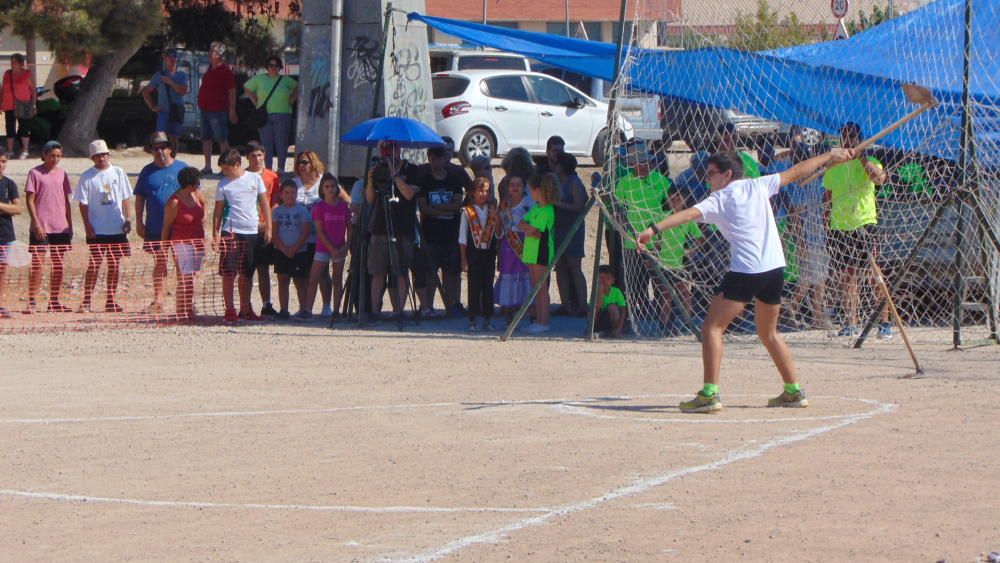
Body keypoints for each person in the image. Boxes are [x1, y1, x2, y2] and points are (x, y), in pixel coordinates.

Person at [637, 148, 855, 413]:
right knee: (769, 333)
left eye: (712, 175)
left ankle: (709, 394)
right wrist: (831, 155)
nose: (708, 180)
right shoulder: (758, 185)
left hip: (747, 271)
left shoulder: (720, 198)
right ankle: (793, 391)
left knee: (711, 328)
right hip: (774, 269)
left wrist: (652, 229)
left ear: (727, 174)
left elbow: (688, 214)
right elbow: (798, 171)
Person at [823, 122, 891, 338]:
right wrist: (826, 225)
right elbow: (827, 198)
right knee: (847, 276)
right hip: (840, 226)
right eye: (844, 136)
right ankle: (851, 322)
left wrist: (861, 157)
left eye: (852, 136)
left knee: (873, 274)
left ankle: (885, 322)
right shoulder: (833, 166)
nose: (847, 140)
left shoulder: (871, 161)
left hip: (864, 223)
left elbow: (880, 179)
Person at [212, 148, 272, 322]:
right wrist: (215, 234)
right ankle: (230, 309)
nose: (224, 172)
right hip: (230, 232)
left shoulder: (255, 178)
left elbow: (265, 204)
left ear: (237, 165)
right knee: (229, 273)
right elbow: (217, 211)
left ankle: (246, 309)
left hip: (251, 232)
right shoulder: (223, 184)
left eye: (226, 168)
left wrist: (268, 228)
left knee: (247, 273)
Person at [73, 140, 133, 313]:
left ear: (109, 155)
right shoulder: (87, 176)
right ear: (92, 158)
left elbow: (125, 196)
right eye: (97, 156)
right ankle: (86, 301)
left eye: (104, 154)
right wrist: (88, 227)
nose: (101, 158)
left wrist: (127, 218)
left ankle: (111, 300)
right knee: (94, 265)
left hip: (117, 228)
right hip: (97, 229)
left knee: (114, 265)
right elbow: (83, 205)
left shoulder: (119, 172)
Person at [365, 140, 420, 324]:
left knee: (401, 270)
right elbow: (370, 199)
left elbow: (409, 194)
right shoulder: (378, 169)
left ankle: (399, 310)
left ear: (400, 149)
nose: (389, 153)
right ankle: (374, 311)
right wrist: (372, 179)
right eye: (385, 150)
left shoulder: (411, 170)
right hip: (380, 226)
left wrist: (394, 175)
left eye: (392, 149)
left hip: (403, 226)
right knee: (378, 270)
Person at [134, 131, 188, 313]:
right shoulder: (147, 171)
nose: (160, 151)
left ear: (170, 148)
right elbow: (140, 198)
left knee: (182, 264)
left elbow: (195, 194)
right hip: (156, 226)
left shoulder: (182, 168)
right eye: (155, 148)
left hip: (180, 226)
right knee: (160, 262)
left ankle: (185, 302)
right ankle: (158, 300)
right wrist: (139, 222)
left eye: (163, 147)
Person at [413, 144, 471, 317]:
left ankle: (452, 304)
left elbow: (457, 204)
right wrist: (444, 209)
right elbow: (423, 208)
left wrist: (437, 208)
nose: (435, 163)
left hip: (451, 233)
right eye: (432, 159)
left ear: (444, 159)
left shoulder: (453, 179)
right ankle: (428, 306)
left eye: (438, 159)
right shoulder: (425, 180)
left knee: (452, 273)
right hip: (430, 234)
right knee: (430, 272)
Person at [615, 142, 671, 315]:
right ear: (632, 165)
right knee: (633, 280)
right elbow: (617, 207)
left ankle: (662, 314)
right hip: (633, 240)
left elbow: (670, 205)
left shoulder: (661, 180)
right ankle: (637, 311)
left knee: (659, 279)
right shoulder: (625, 182)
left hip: (658, 240)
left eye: (647, 162)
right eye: (640, 164)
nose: (645, 167)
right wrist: (623, 227)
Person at [23, 140, 72, 314]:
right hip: (41, 226)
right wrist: (35, 223)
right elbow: (29, 200)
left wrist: (70, 225)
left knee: (58, 265)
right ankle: (32, 301)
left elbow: (66, 201)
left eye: (58, 156)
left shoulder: (63, 174)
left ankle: (54, 300)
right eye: (52, 156)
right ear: (44, 155)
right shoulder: (35, 173)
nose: (55, 159)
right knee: (37, 264)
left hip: (60, 227)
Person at [654, 189, 702, 331]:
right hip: (664, 262)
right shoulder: (662, 216)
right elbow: (657, 239)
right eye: (672, 199)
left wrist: (691, 251)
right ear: (668, 200)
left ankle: (688, 323)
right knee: (666, 295)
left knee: (685, 293)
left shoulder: (687, 219)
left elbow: (700, 238)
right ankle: (664, 324)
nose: (675, 202)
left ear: (685, 200)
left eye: (678, 199)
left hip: (680, 264)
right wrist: (654, 253)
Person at [161, 167, 206, 319]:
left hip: (198, 241)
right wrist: (163, 248)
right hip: (181, 242)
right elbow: (166, 226)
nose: (198, 185)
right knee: (185, 278)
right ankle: (181, 311)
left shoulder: (198, 194)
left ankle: (189, 307)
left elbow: (203, 208)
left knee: (191, 276)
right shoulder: (174, 202)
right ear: (189, 184)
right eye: (196, 182)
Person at [305, 173, 351, 321]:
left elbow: (350, 228)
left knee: (337, 278)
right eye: (327, 186)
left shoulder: (344, 207)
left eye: (333, 186)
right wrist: (331, 247)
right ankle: (308, 310)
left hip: (340, 246)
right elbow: (319, 231)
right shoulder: (319, 207)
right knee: (314, 278)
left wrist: (346, 245)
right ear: (322, 189)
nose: (330, 189)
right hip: (323, 247)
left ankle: (336, 310)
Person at [518, 173, 559, 334]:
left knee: (541, 288)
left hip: (541, 252)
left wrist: (529, 229)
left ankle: (543, 322)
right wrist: (528, 229)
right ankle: (539, 320)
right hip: (531, 251)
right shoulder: (537, 208)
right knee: (536, 287)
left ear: (538, 190)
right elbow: (522, 224)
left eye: (530, 190)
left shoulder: (547, 210)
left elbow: (533, 230)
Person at [244, 55, 298, 173]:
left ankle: (281, 168)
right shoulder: (260, 79)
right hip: (264, 115)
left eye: (276, 65)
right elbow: (246, 87)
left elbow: (298, 87)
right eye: (271, 65)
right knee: (266, 144)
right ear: (267, 67)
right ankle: (267, 169)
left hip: (283, 114)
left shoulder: (285, 80)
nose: (273, 68)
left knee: (281, 143)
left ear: (280, 67)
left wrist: (291, 100)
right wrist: (255, 101)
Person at [245, 141, 281, 316]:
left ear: (264, 156)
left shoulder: (272, 177)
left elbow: (274, 202)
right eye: (253, 156)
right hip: (247, 228)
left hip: (264, 227)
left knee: (264, 267)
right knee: (246, 269)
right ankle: (246, 304)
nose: (257, 159)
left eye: (260, 155)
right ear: (247, 158)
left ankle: (267, 303)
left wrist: (268, 224)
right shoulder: (242, 176)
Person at [459, 176, 499, 331]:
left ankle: (488, 318)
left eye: (486, 191)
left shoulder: (491, 211)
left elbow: (498, 233)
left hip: (489, 252)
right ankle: (472, 318)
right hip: (473, 253)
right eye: (480, 190)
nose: (483, 194)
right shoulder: (467, 212)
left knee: (488, 285)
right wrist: (463, 259)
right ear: (473, 192)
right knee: (474, 285)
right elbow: (462, 237)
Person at [494, 174, 533, 327]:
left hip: (525, 242)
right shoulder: (503, 204)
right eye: (512, 184)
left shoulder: (529, 203)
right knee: (508, 277)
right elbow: (499, 232)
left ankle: (530, 316)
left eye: (518, 184)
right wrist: (497, 219)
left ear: (524, 187)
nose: (515, 187)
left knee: (526, 278)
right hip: (508, 245)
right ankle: (509, 317)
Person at [552, 151, 588, 317]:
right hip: (558, 228)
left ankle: (582, 305)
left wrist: (558, 204)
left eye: (557, 163)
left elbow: (579, 206)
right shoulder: (557, 181)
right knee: (560, 267)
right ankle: (565, 304)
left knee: (574, 266)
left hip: (573, 228)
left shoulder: (574, 182)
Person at [271, 179, 311, 320]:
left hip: (299, 250)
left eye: (293, 192)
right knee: (283, 279)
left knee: (300, 281)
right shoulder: (276, 212)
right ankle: (283, 310)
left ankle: (304, 309)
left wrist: (294, 248)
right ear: (281, 194)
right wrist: (283, 248)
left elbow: (305, 232)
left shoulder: (303, 210)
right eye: (287, 192)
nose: (290, 195)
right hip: (281, 250)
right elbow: (274, 233)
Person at [197, 42, 237, 175]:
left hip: (218, 111)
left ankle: (226, 166)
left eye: (213, 51)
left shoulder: (225, 71)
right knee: (206, 138)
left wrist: (232, 110)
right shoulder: (209, 69)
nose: (210, 53)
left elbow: (232, 91)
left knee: (221, 139)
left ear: (220, 55)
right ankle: (207, 166)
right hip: (205, 110)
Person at [141, 48, 188, 151]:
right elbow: (145, 91)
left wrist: (170, 82)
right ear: (164, 59)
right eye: (169, 57)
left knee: (174, 139)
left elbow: (183, 91)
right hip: (163, 112)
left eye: (174, 57)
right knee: (160, 139)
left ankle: (172, 161)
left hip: (176, 112)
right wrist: (152, 107)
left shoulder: (182, 75)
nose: (172, 60)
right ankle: (160, 161)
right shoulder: (159, 76)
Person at [0, 152, 21, 318]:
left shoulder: (10, 184)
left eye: (3, 161)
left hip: (5, 234)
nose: (1, 164)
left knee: (1, 271)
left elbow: (18, 209)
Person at [2, 53, 35, 159]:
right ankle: (10, 151)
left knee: (24, 127)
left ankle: (25, 151)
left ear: (21, 63)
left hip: (23, 104)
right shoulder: (7, 74)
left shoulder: (27, 74)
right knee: (10, 128)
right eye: (11, 62)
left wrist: (33, 105)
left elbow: (33, 91)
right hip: (9, 104)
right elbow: (3, 89)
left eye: (14, 62)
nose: (12, 64)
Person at [595, 265, 627, 338]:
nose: (604, 281)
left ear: (612, 280)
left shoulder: (616, 292)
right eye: (601, 278)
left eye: (608, 278)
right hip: (599, 321)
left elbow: (623, 312)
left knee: (612, 306)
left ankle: (615, 331)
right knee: (592, 310)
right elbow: (596, 310)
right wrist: (600, 293)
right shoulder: (595, 292)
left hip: (613, 321)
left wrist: (619, 329)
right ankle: (597, 330)